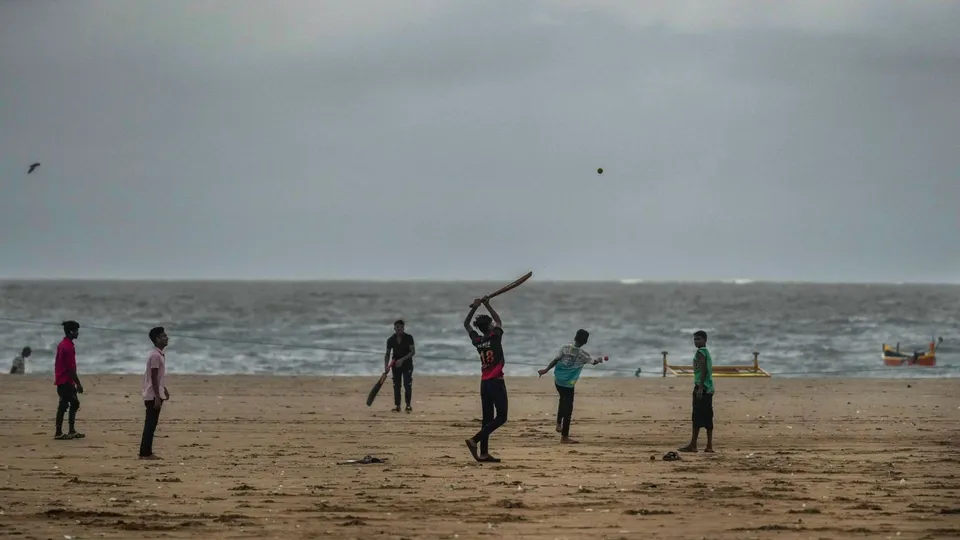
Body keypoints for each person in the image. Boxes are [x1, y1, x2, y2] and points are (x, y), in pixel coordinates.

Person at [538, 329, 605, 444]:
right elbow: (593, 362)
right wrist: (599, 359)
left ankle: (559, 423)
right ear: (585, 342)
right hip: (569, 384)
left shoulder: (564, 348)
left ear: (575, 337)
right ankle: (564, 437)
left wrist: (545, 370)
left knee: (562, 400)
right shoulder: (584, 355)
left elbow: (555, 360)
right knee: (568, 409)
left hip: (558, 380)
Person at [463, 296, 507, 463]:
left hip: (484, 383)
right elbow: (499, 320)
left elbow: (466, 325)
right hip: (496, 381)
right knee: (502, 417)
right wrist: (487, 304)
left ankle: (484, 453)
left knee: (487, 418)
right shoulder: (495, 336)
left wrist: (474, 307)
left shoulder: (478, 340)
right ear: (489, 326)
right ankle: (474, 440)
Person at [678, 330, 715, 453]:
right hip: (707, 388)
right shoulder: (706, 352)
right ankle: (708, 445)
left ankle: (694, 445)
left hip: (702, 387)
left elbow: (704, 370)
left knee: (697, 417)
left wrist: (699, 388)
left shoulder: (701, 352)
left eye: (699, 339)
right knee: (707, 416)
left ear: (705, 340)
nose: (696, 341)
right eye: (695, 339)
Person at [140, 326, 170, 459]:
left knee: (152, 424)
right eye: (164, 336)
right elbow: (153, 376)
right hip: (152, 395)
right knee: (150, 424)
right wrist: (157, 396)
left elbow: (158, 377)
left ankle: (146, 452)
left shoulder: (159, 354)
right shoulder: (155, 356)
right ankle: (145, 453)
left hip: (156, 392)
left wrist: (164, 389)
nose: (167, 338)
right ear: (157, 339)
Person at [54, 320, 84, 440]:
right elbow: (71, 369)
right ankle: (59, 432)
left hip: (62, 379)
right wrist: (79, 384)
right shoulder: (68, 347)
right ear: (71, 332)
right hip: (65, 380)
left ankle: (69, 430)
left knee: (70, 403)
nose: (78, 333)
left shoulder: (63, 344)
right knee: (65, 405)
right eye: (76, 331)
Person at [384, 319, 416, 413]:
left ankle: (408, 405)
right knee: (396, 385)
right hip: (395, 365)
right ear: (394, 328)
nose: (399, 329)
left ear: (403, 328)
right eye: (397, 327)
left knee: (407, 384)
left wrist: (402, 360)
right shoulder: (390, 340)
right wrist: (386, 366)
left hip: (407, 365)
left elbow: (413, 352)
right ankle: (397, 406)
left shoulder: (409, 338)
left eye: (401, 327)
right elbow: (387, 354)